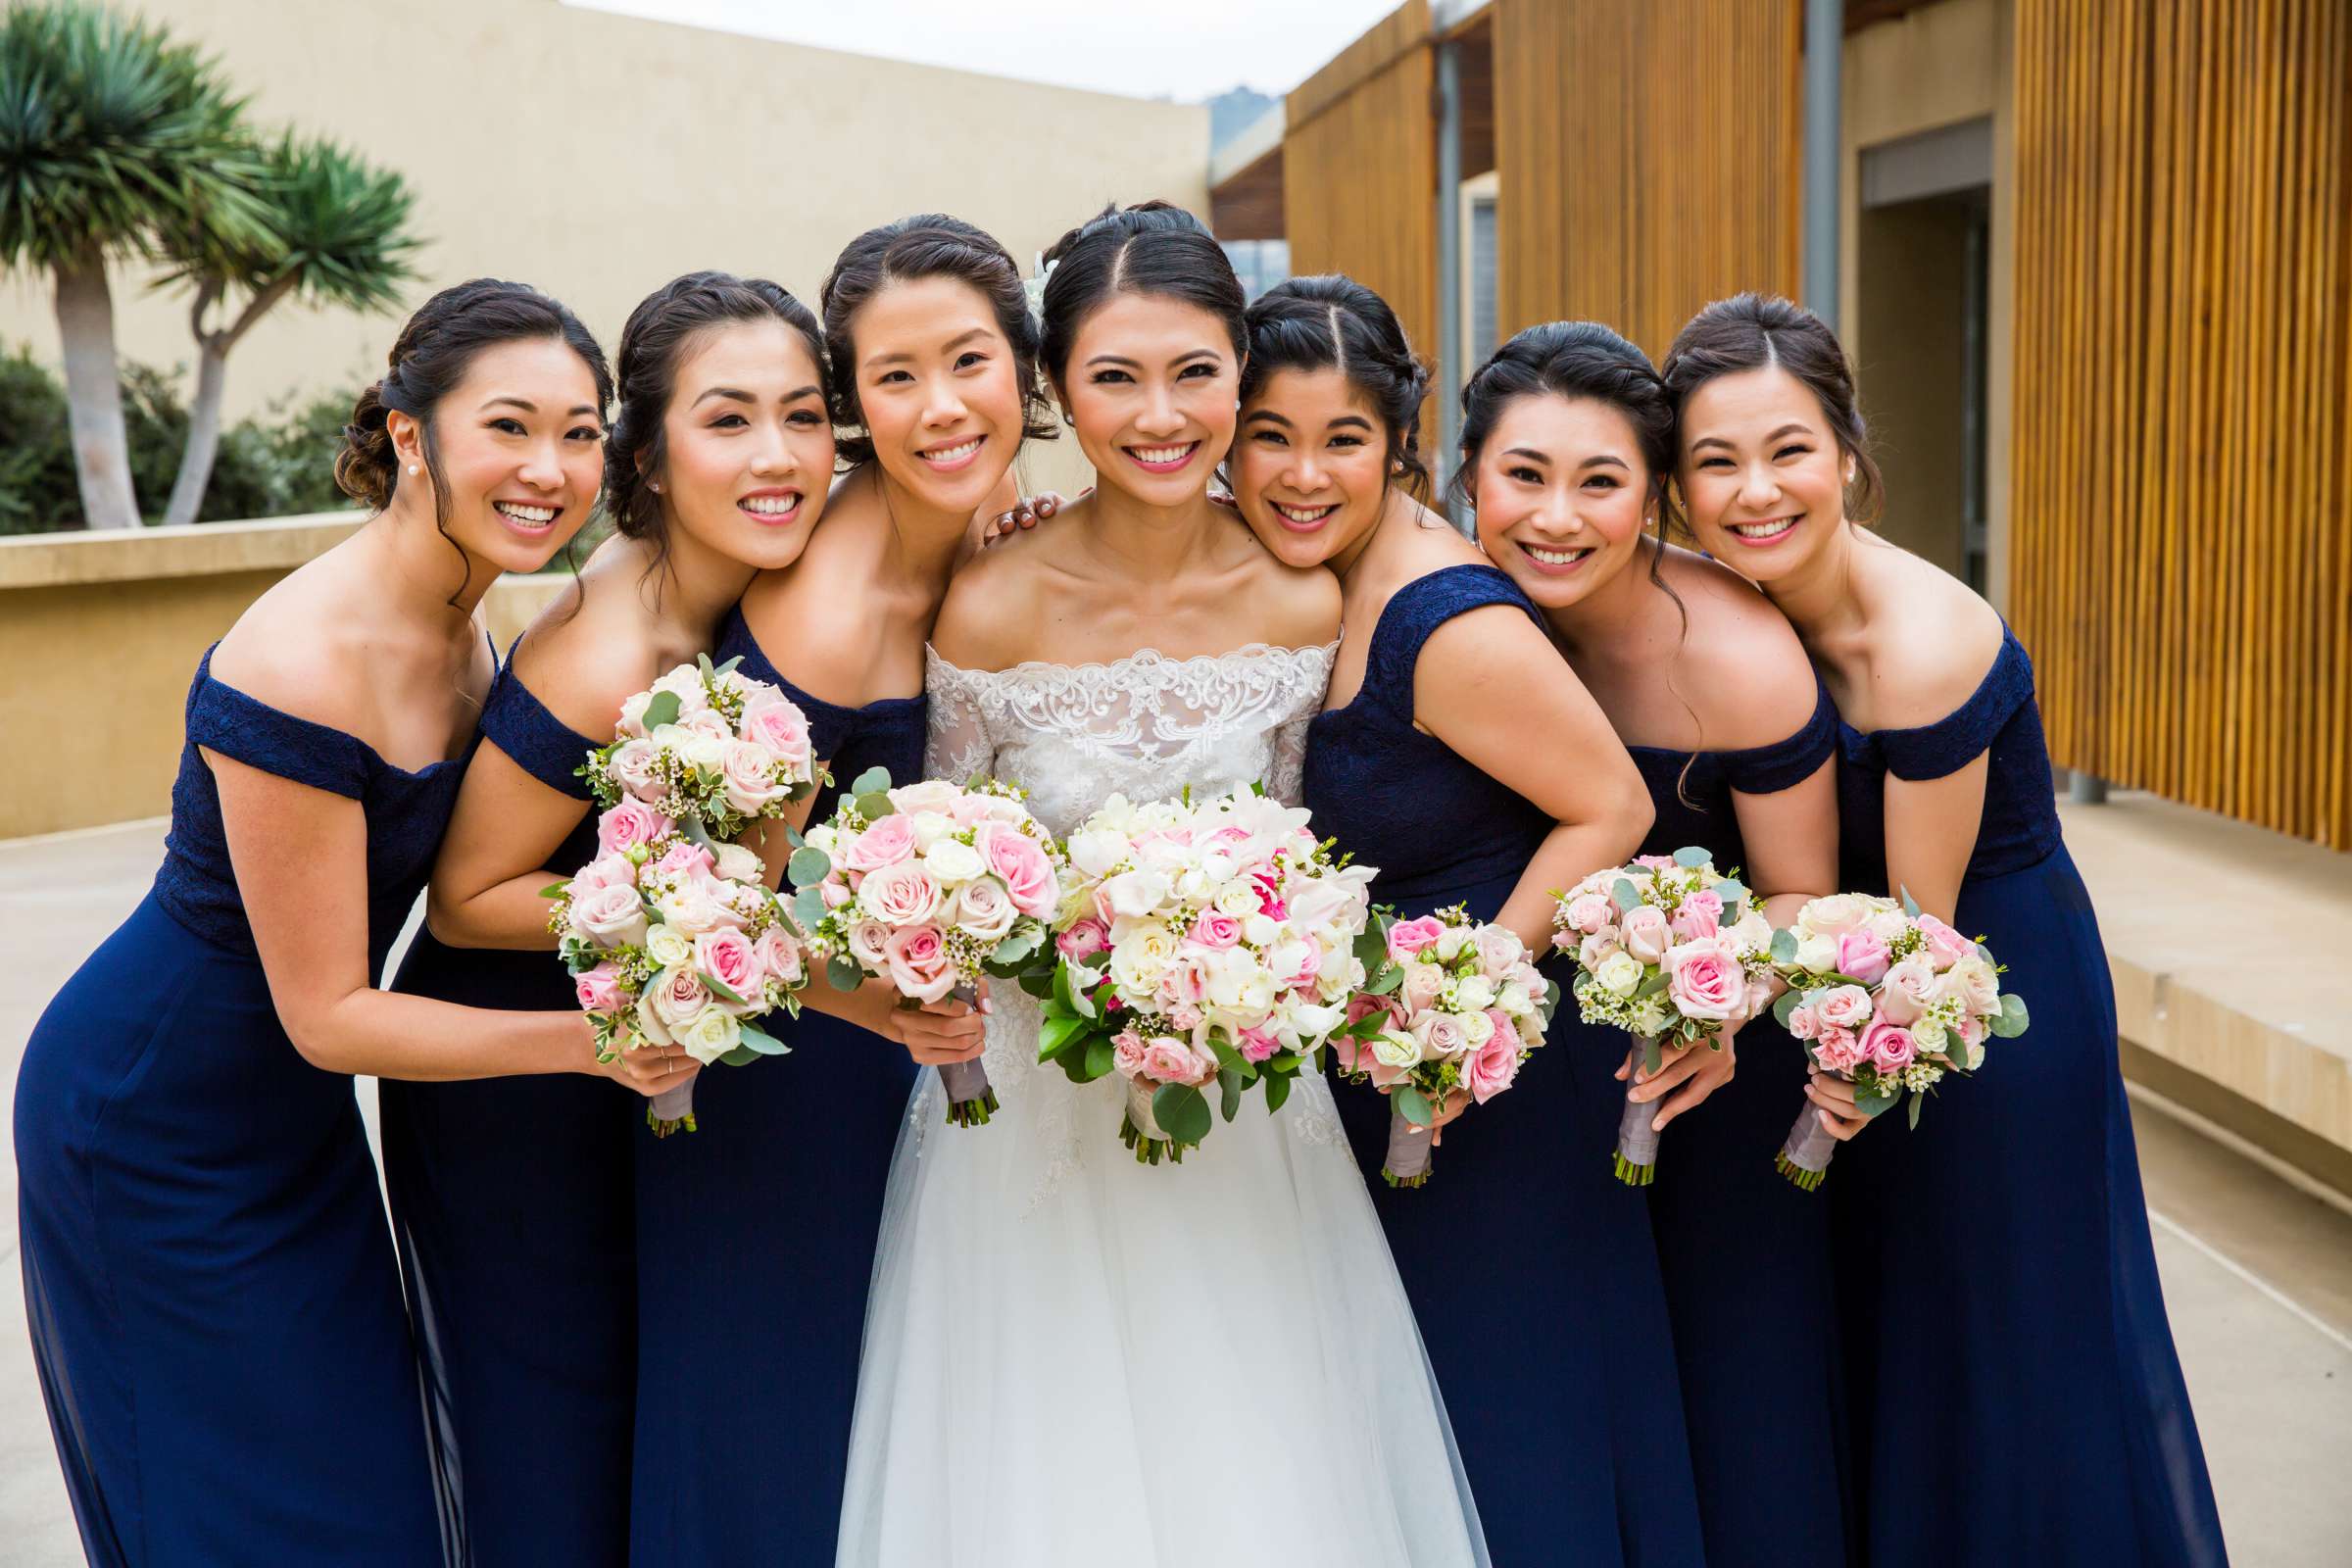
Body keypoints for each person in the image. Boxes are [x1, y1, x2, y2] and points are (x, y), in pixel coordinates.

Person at [839, 208, 1486, 1567]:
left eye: (1195, 372)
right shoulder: (988, 599)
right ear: (1056, 393)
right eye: (1115, 377)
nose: (1160, 414)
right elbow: (945, 868)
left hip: (1245, 1113)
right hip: (1028, 1128)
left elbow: (1308, 858)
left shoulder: (1305, 595)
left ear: (1241, 376)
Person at [15, 279, 676, 1567]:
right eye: (511, 427)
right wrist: (604, 1037)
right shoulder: (308, 660)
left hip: (296, 1136)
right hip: (156, 1126)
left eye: (583, 432)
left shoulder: (471, 615)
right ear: (410, 433)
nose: (551, 468)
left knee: (371, 1499)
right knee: (240, 1515)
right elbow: (328, 1016)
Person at [1663, 291, 2227, 1567]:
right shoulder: (1724, 605)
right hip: (1848, 962)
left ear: (1850, 455)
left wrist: (1845, 1060)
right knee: (1879, 1323)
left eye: (1788, 449)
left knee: (2000, 1335)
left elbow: (1916, 938)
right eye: (1715, 461)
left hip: (1976, 986)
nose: (1756, 489)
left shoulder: (1921, 644)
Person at [1226, 277, 1700, 1565]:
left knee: (1507, 1430)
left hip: (1486, 1087)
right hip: (1376, 1078)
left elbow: (1609, 807)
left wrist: (1461, 997)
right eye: (1270, 434)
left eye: (1343, 440)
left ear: (1400, 442)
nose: (1304, 472)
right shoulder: (1299, 564)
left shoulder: (1444, 617)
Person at [383, 271, 831, 1565]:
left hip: (640, 1050)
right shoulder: (605, 650)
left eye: (804, 417)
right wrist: (701, 915)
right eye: (729, 419)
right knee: (556, 1438)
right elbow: (466, 904)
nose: (778, 455)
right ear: (650, 447)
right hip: (517, 1087)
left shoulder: (735, 584)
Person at [627, 217, 1040, 1564]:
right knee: (786, 1432)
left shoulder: (984, 526)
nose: (940, 407)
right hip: (791, 1080)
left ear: (1024, 368)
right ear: (856, 405)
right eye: (894, 379)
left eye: (968, 361)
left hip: (899, 1065)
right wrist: (891, 1017)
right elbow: (726, 916)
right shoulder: (829, 611)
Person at [1465, 318, 1850, 1566]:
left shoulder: (1736, 659)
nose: (1557, 518)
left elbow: (1804, 894)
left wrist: (1719, 1002)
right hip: (1521, 1084)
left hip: (1700, 1075)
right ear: (1467, 472)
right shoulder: (1450, 604)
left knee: (1728, 1402)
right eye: (1524, 475)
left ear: (1653, 494)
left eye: (1601, 481)